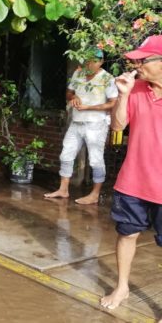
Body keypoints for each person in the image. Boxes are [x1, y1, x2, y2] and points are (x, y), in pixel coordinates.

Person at [100, 35, 162, 310]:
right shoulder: (134, 89)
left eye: (143, 60)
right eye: (135, 60)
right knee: (126, 234)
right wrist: (123, 95)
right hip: (133, 181)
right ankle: (122, 287)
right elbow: (117, 127)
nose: (136, 65)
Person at [44, 49, 118, 204]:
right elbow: (68, 93)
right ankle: (63, 189)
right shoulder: (78, 74)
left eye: (95, 61)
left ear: (101, 62)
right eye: (88, 60)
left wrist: (89, 108)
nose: (90, 64)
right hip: (77, 122)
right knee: (66, 155)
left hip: (96, 124)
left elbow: (112, 103)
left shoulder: (107, 78)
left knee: (96, 160)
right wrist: (74, 96)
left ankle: (95, 194)